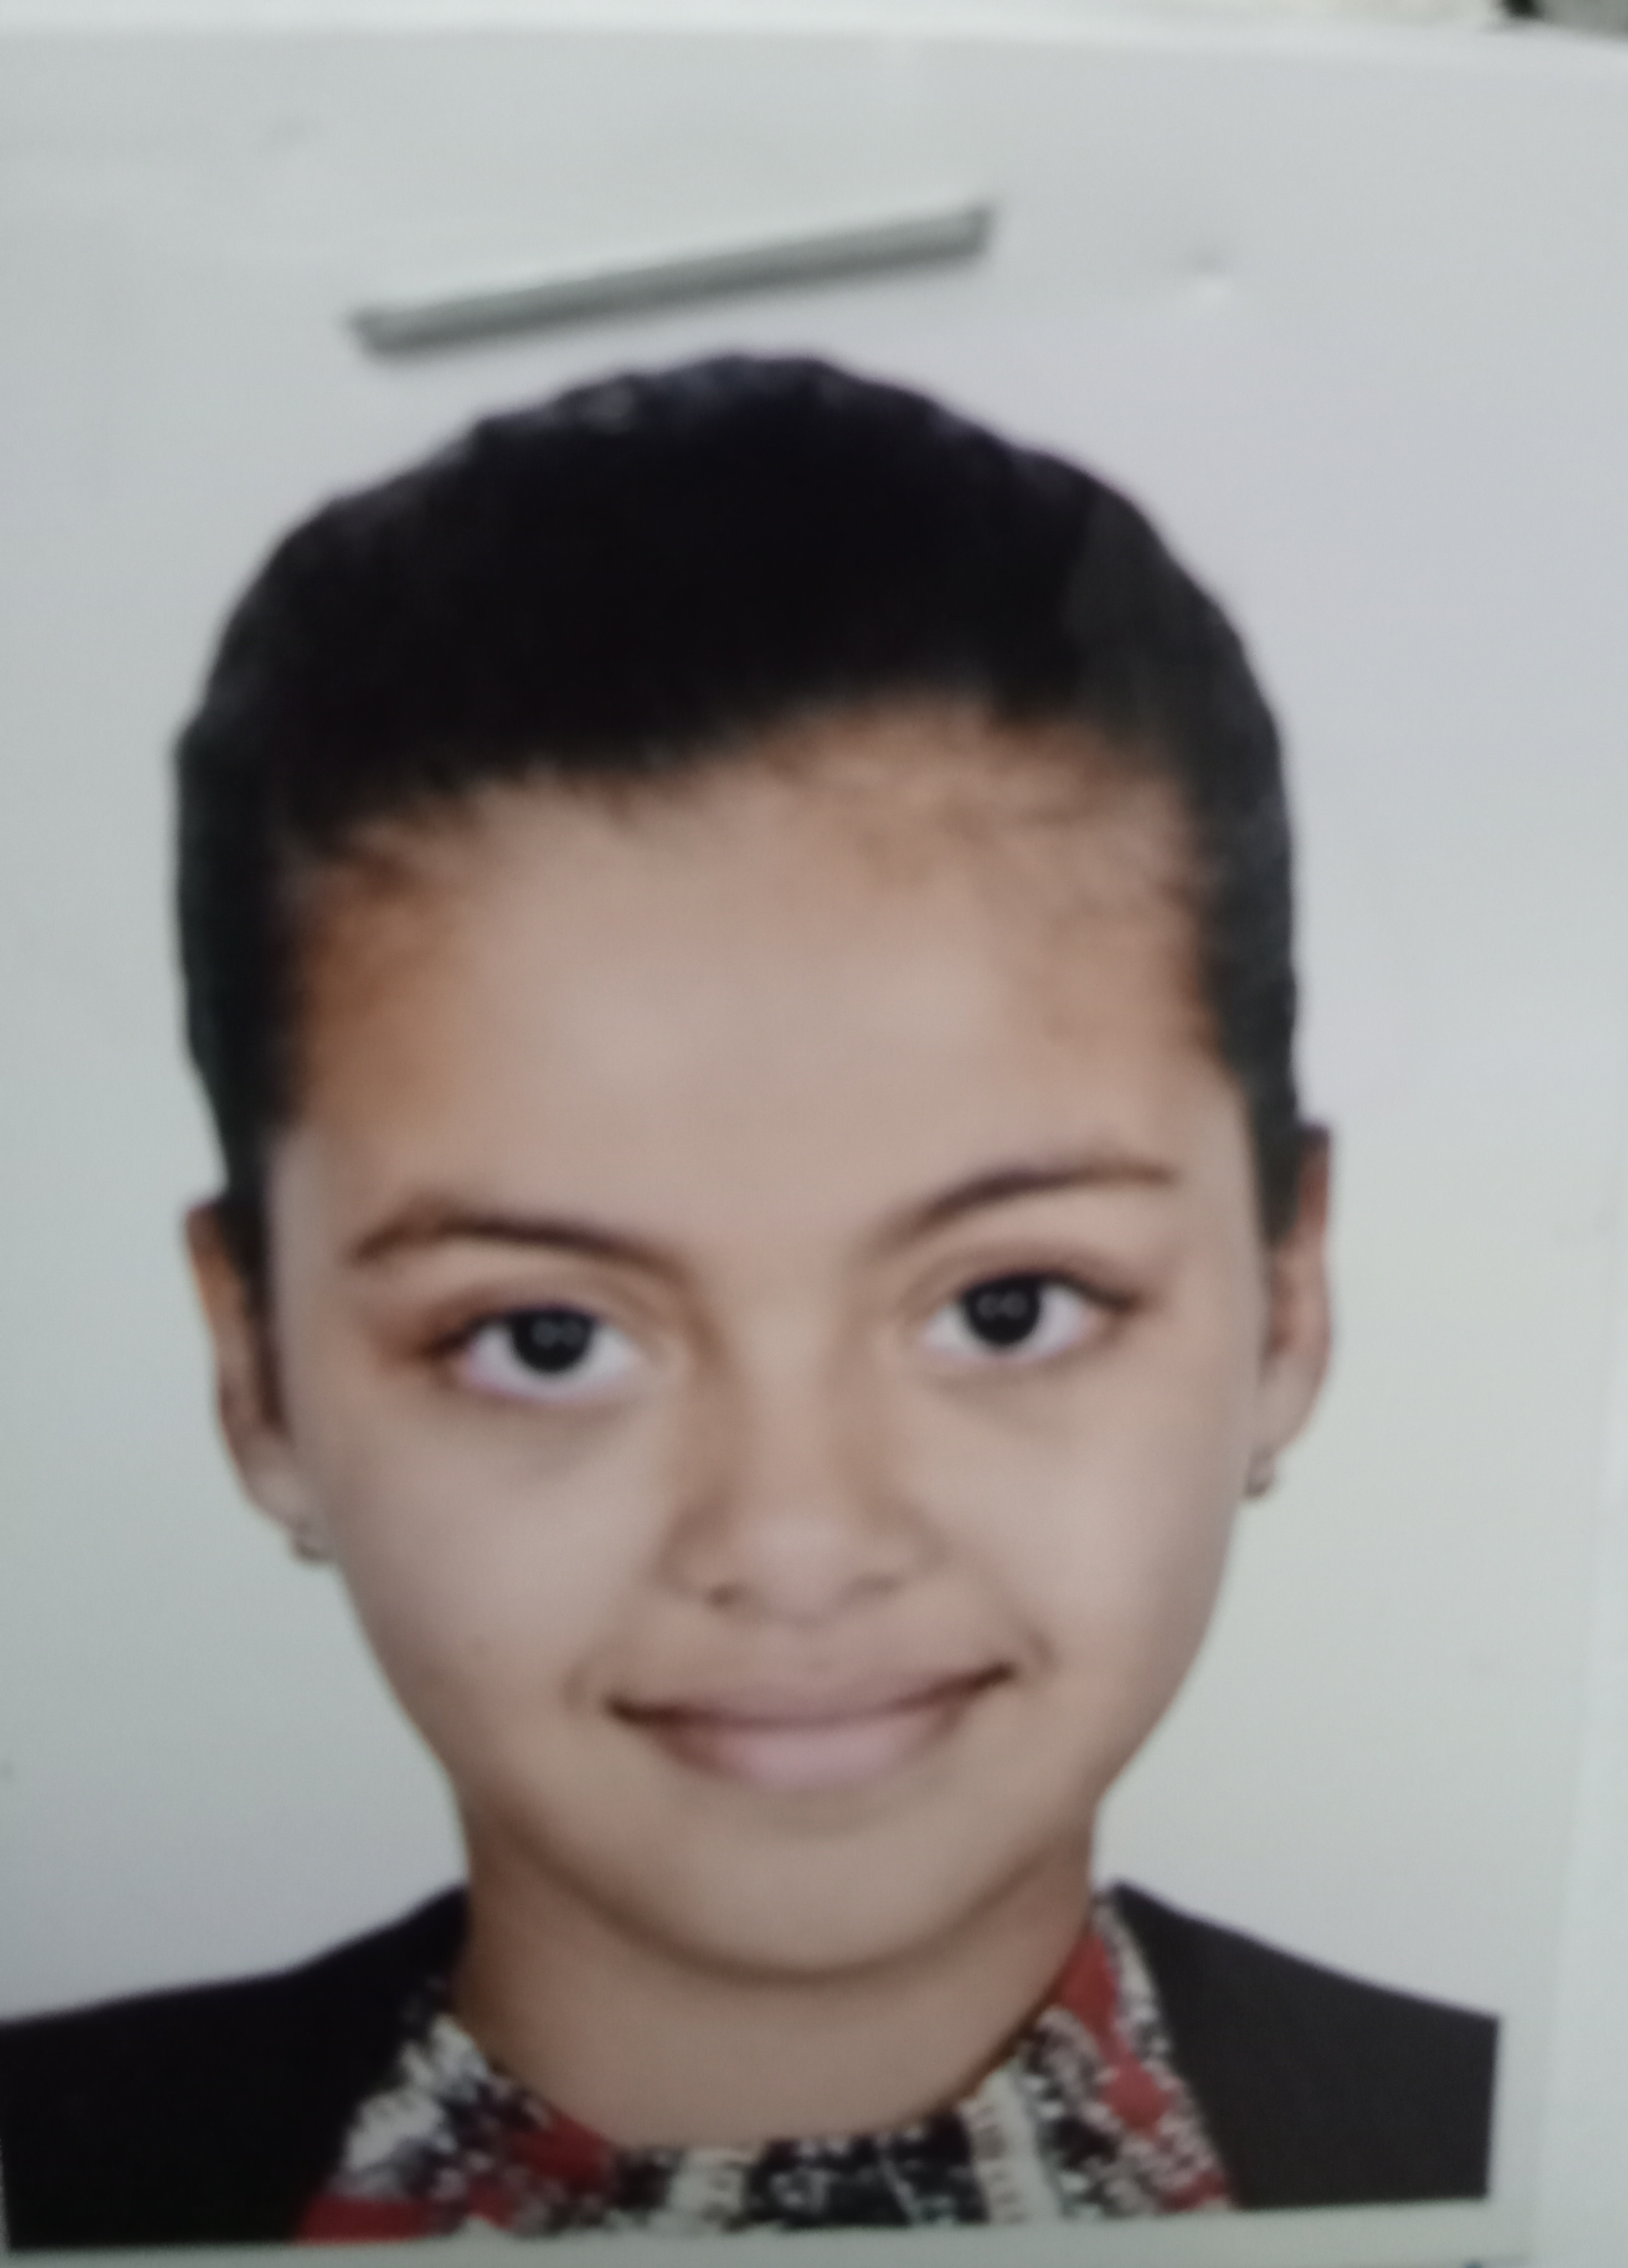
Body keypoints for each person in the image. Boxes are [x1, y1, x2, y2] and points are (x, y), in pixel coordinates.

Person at [0, 355, 1496, 2247]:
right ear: (259, 1375)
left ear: (1284, 1301)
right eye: (549, 1340)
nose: (796, 1545)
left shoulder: (1596, 2143)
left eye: (1008, 1307)